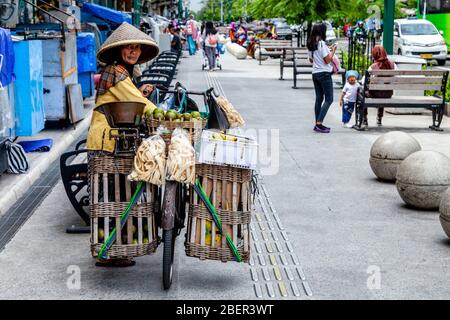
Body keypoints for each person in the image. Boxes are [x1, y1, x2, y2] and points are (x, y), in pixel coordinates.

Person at [86, 22, 159, 267]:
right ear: (119, 50)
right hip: (106, 140)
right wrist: (164, 116)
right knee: (109, 198)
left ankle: (113, 248)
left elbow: (132, 98)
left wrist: (142, 93)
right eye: (128, 47)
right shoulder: (116, 72)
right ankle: (106, 251)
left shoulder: (122, 72)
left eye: (137, 48)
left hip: (112, 138)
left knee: (113, 196)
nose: (133, 52)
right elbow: (137, 103)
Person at [355, 45, 397, 130]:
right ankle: (379, 118)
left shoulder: (373, 67)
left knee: (362, 92)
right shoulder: (393, 65)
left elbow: (364, 82)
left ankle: (364, 119)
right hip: (387, 94)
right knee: (382, 90)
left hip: (374, 94)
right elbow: (397, 80)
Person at [307, 23, 337, 133]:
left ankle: (317, 123)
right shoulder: (321, 43)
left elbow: (311, 60)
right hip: (324, 73)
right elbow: (327, 60)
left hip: (315, 73)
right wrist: (333, 50)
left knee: (319, 98)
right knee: (329, 99)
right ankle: (319, 123)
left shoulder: (311, 44)